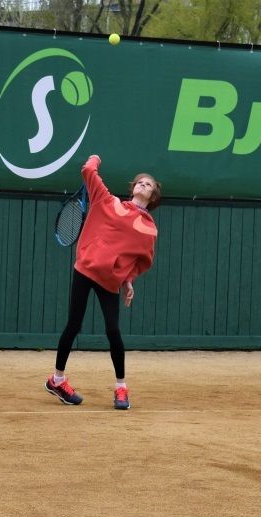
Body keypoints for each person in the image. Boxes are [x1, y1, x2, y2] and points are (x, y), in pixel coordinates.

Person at [46, 155, 161, 410]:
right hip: (85, 270)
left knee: (113, 331)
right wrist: (96, 158)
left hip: (110, 281)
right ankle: (57, 380)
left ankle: (121, 389)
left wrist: (128, 280)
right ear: (132, 188)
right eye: (140, 182)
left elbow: (141, 259)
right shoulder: (107, 200)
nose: (143, 185)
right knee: (73, 325)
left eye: (148, 185)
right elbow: (88, 169)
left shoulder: (149, 229)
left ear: (152, 197)